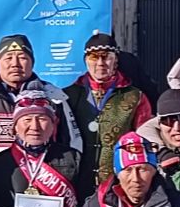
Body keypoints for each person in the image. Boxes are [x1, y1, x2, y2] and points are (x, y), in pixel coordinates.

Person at [0, 34, 80, 159]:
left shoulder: (53, 96)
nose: (15, 64)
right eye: (8, 58)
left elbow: (73, 142)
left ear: (32, 62)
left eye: (22, 58)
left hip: (45, 174)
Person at [63, 32, 154, 181]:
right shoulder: (68, 95)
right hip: (76, 178)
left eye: (106, 57)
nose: (100, 63)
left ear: (115, 60)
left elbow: (144, 139)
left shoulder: (135, 97)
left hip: (118, 179)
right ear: (86, 61)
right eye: (94, 57)